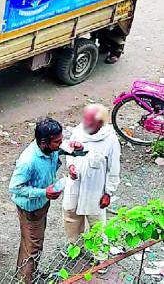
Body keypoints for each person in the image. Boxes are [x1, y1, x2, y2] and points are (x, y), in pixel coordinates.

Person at [9, 118, 82, 283]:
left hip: (41, 204)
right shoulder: (28, 161)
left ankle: (25, 274)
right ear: (43, 143)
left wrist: (78, 149)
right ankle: (27, 279)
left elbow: (72, 151)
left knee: (29, 242)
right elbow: (14, 188)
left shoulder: (51, 149)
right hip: (31, 209)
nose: (60, 144)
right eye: (57, 142)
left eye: (61, 140)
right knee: (34, 246)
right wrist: (44, 192)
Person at [62, 104, 121, 248]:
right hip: (75, 184)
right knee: (71, 217)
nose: (85, 124)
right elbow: (69, 153)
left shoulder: (111, 140)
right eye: (85, 119)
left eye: (90, 121)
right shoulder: (78, 131)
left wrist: (108, 193)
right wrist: (71, 166)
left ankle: (100, 255)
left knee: (97, 223)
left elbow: (113, 169)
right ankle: (73, 246)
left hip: (95, 189)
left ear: (100, 123)